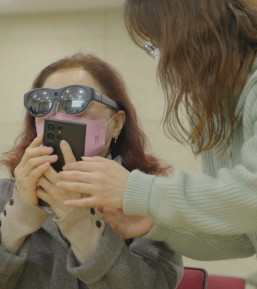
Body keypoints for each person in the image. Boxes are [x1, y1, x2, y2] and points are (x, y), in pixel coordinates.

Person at [0, 53, 183, 289]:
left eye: (76, 101)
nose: (58, 115)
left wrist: (80, 224)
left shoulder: (145, 198)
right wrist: (20, 212)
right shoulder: (4, 196)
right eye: (43, 104)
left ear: (116, 123)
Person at [56, 0, 257, 261]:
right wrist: (155, 224)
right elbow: (241, 235)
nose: (160, 59)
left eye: (157, 43)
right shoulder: (217, 112)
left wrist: (138, 190)